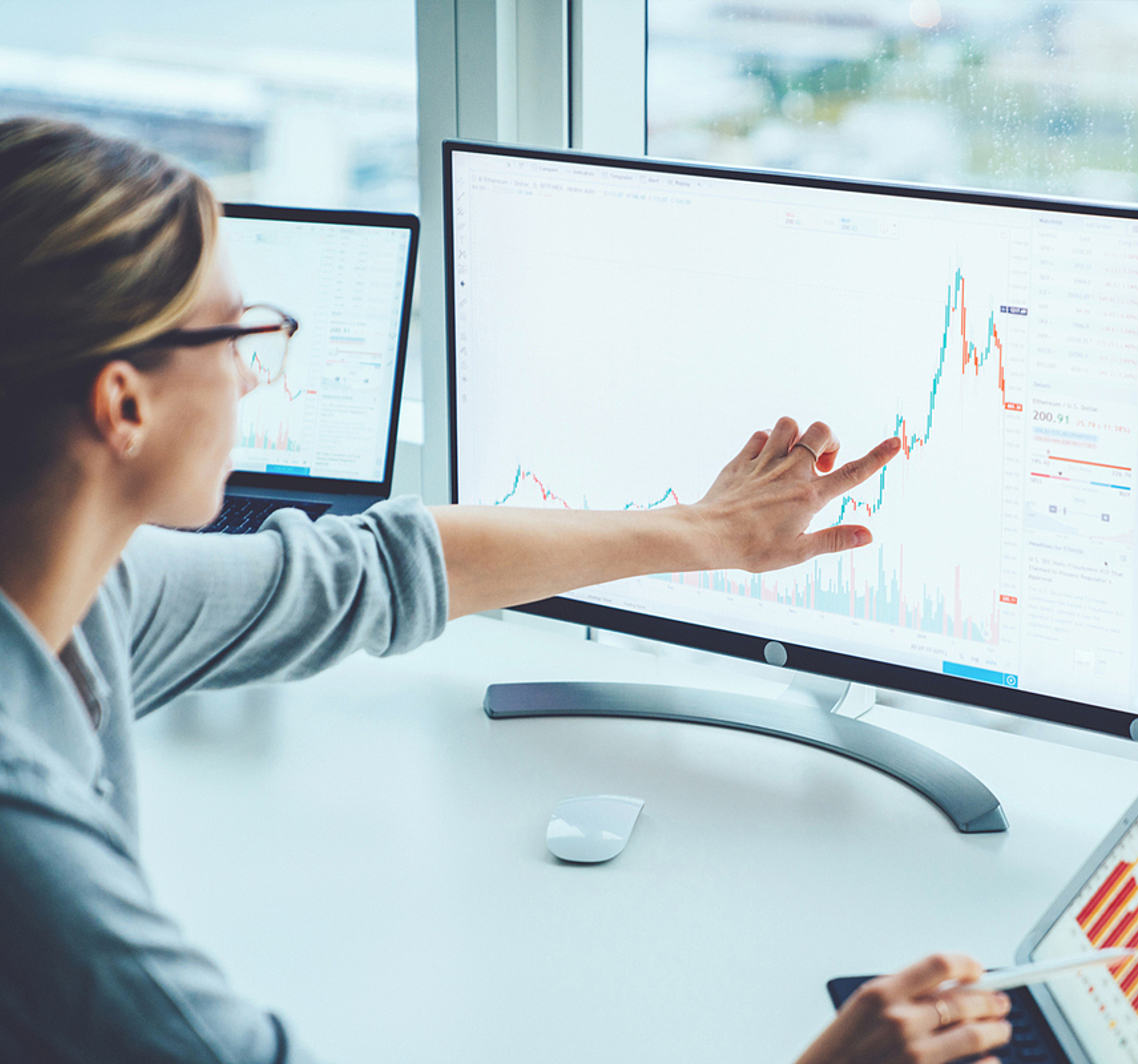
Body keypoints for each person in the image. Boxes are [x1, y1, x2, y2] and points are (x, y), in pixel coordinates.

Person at [0, 117, 1012, 1064]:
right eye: (235, 338)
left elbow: (371, 572)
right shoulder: (23, 831)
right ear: (122, 404)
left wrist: (708, 532)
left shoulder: (82, 597)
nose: (256, 378)